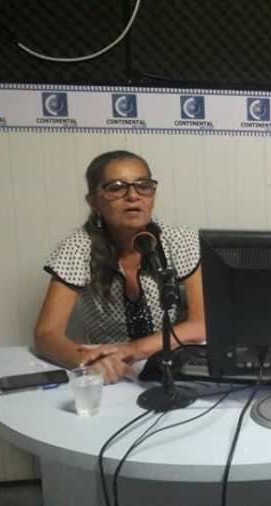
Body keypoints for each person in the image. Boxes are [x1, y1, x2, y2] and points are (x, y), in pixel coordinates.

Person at [33, 151, 205, 384]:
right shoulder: (77, 247)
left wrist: (134, 349)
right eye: (116, 188)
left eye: (143, 186)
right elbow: (46, 334)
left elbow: (200, 324)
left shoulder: (180, 241)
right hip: (109, 370)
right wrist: (87, 361)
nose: (133, 196)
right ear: (93, 202)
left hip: (172, 365)